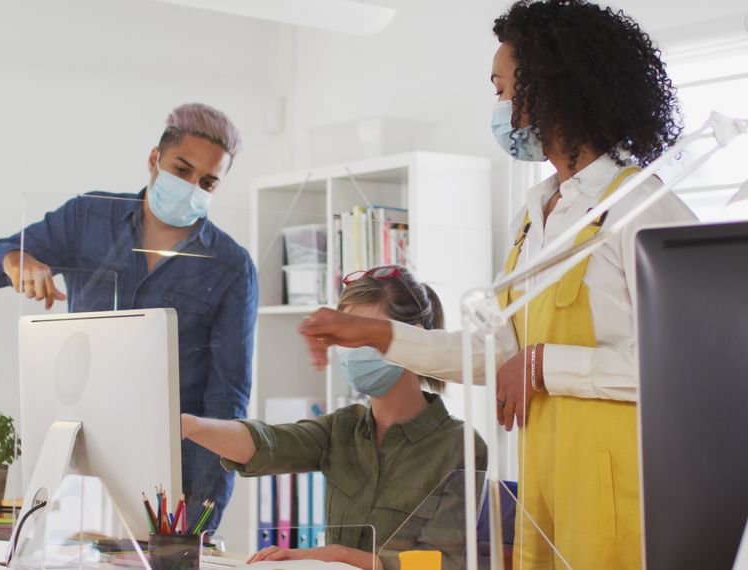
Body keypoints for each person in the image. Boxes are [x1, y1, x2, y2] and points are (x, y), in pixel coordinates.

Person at [298, 1, 697, 568]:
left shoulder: (641, 209)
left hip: (624, 496)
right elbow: (495, 353)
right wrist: (374, 333)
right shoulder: (534, 217)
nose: (502, 107)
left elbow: (683, 367)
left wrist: (542, 365)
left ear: (556, 87)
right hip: (545, 485)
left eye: (505, 88)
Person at [0, 103, 257, 533]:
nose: (193, 187)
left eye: (208, 181)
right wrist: (16, 259)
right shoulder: (88, 218)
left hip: (168, 479)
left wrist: (199, 524)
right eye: (182, 169)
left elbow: (226, 403)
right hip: (78, 458)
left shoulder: (231, 267)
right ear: (154, 160)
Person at [182, 266, 488, 570]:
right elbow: (269, 443)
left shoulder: (460, 446)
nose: (351, 351)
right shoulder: (343, 426)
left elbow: (443, 563)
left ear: (412, 341)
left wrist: (336, 556)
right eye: (345, 339)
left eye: (364, 336)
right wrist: (190, 426)